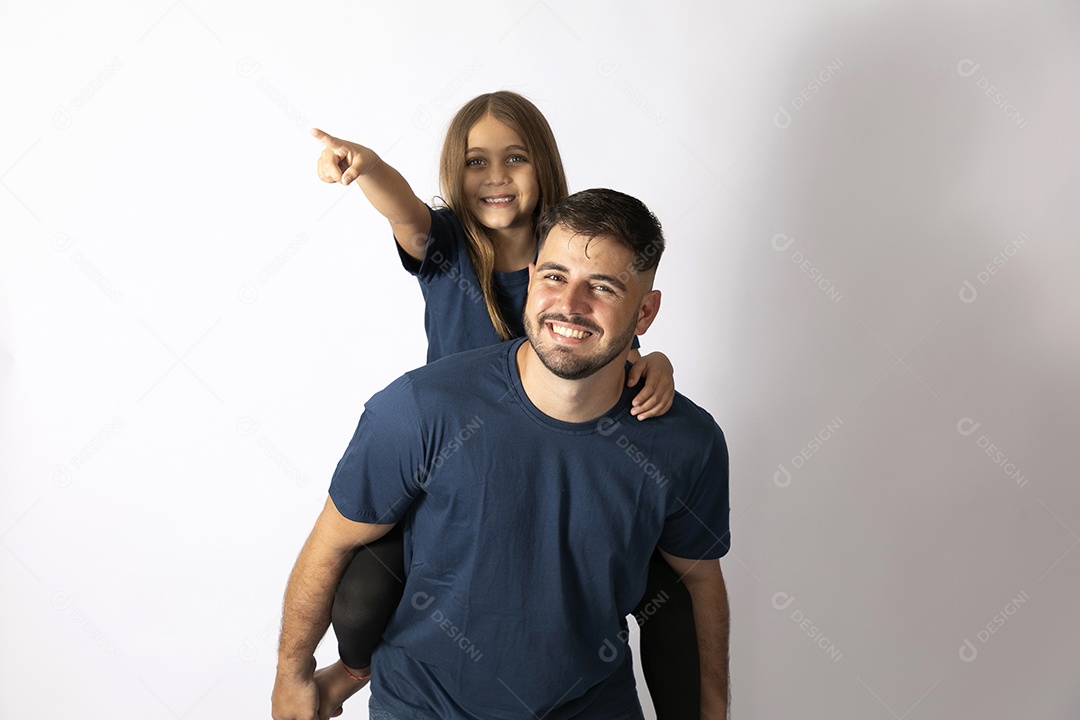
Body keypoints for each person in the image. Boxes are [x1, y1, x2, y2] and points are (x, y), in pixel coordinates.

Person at [305, 93, 701, 717]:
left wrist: (657, 364)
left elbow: (613, 332)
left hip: (567, 473)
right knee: (360, 600)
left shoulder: (571, 255)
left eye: (514, 158)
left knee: (671, 596)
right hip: (457, 475)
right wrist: (368, 167)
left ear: (543, 165)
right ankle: (354, 670)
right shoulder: (445, 250)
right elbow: (403, 211)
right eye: (475, 162)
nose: (494, 176)